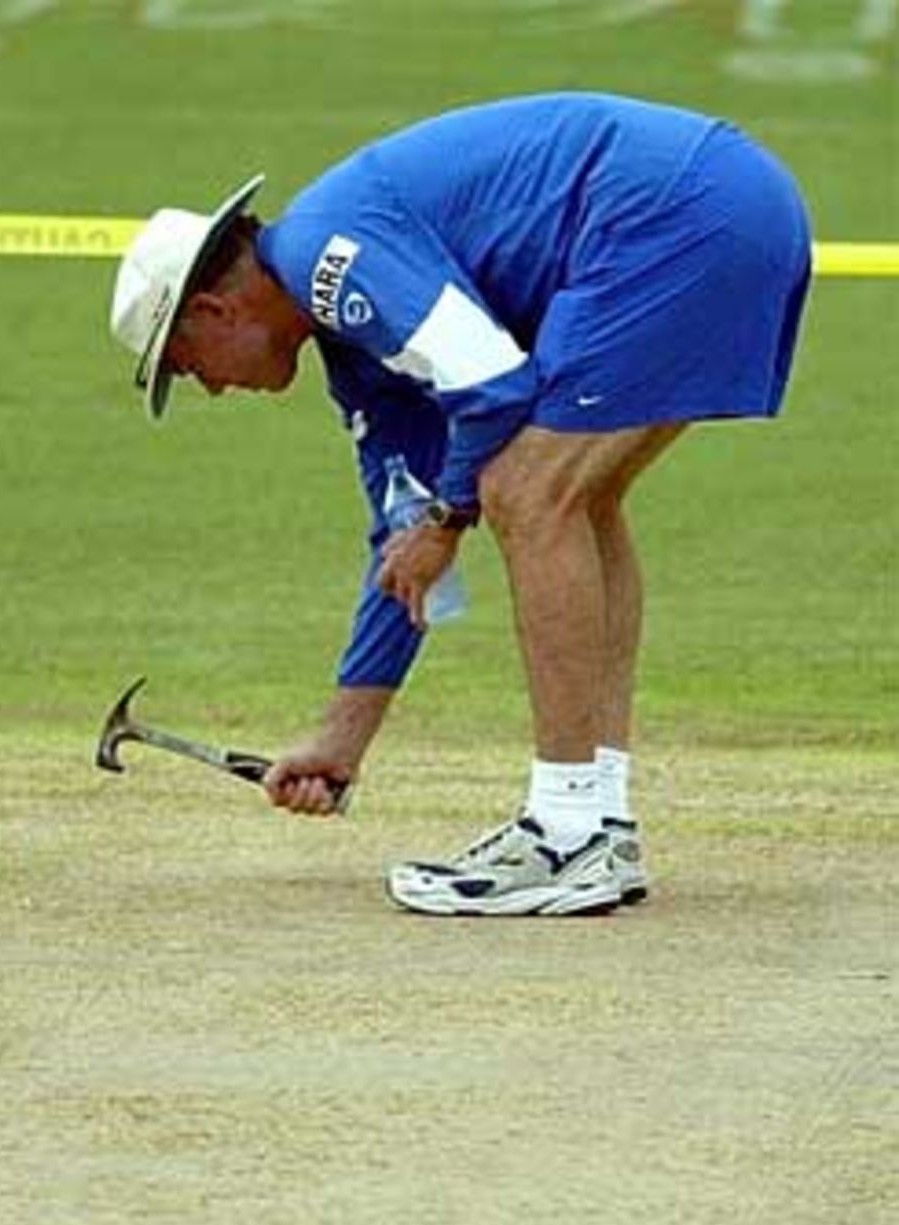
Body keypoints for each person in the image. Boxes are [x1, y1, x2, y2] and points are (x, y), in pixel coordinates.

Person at [109, 93, 812, 916]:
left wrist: (449, 520)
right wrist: (345, 736)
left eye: (186, 364)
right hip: (723, 202)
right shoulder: (356, 350)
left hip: (679, 212)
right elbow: (404, 551)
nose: (210, 388)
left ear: (211, 310)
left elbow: (490, 384)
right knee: (576, 500)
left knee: (525, 490)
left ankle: (566, 831)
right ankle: (599, 820)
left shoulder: (322, 257)